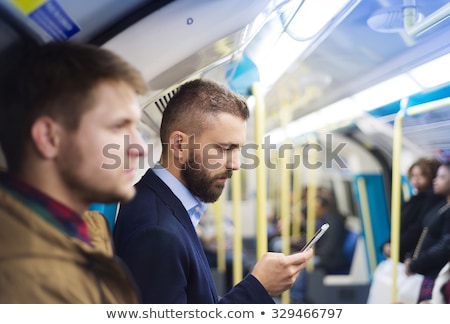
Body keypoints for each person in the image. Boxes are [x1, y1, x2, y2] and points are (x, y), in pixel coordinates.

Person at [113, 78, 313, 304]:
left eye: (238, 149)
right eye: (224, 149)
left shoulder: (165, 206)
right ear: (179, 145)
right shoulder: (155, 231)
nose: (236, 164)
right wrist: (258, 288)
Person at [0, 41, 148, 303]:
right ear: (49, 138)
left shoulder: (77, 233)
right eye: (118, 127)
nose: (138, 148)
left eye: (135, 127)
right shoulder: (32, 284)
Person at [289, 187, 349, 303]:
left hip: (331, 258)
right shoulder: (324, 219)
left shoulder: (333, 222)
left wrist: (313, 254)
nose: (313, 210)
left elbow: (329, 248)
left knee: (302, 263)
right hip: (324, 254)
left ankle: (297, 297)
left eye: (314, 207)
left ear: (321, 206)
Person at [381, 157, 444, 262]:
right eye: (413, 175)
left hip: (411, 253)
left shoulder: (430, 200)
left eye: (422, 175)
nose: (416, 179)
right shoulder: (415, 199)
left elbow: (417, 228)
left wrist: (396, 246)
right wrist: (388, 243)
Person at [405, 161, 450, 303]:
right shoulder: (441, 205)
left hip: (437, 272)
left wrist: (416, 264)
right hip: (428, 271)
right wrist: (411, 257)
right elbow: (425, 235)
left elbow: (444, 246)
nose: (435, 181)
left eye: (442, 177)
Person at [196, 208, 250, 293]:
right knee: (238, 259)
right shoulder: (197, 226)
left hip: (221, 251)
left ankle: (232, 290)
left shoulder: (211, 223)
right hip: (209, 255)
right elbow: (205, 238)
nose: (202, 216)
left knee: (239, 258)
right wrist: (217, 235)